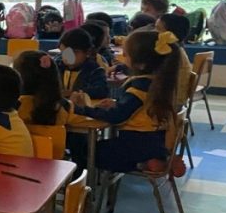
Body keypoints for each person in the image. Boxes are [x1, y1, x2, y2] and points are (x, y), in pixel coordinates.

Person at [71, 30, 182, 173]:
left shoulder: (139, 87)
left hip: (137, 144)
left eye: (126, 54)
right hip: (156, 141)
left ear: (141, 65)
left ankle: (143, 163)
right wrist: (117, 103)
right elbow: (136, 108)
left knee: (87, 151)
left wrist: (82, 109)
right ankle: (155, 159)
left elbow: (117, 116)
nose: (123, 56)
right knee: (100, 148)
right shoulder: (158, 82)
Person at [57, 27, 109, 99]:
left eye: (75, 52)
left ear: (88, 52)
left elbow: (102, 91)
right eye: (64, 52)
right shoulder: (56, 67)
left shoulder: (94, 70)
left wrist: (74, 92)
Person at [157, 13, 193, 109]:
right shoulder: (178, 50)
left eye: (158, 29)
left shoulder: (168, 53)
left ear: (169, 34)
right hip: (177, 101)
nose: (154, 32)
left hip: (168, 104)